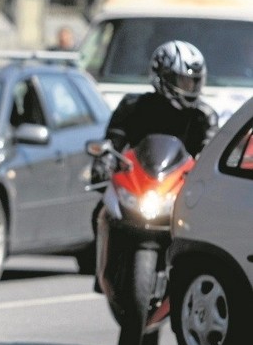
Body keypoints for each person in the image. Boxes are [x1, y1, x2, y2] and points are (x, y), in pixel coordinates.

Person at [90, 40, 218, 292]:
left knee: (209, 232)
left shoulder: (203, 116)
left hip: (181, 191)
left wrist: (210, 180)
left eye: (193, 82)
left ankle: (194, 283)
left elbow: (211, 151)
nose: (189, 88)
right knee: (100, 212)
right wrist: (104, 161)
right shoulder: (134, 106)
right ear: (162, 77)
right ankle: (103, 272)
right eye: (183, 81)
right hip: (139, 185)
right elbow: (113, 140)